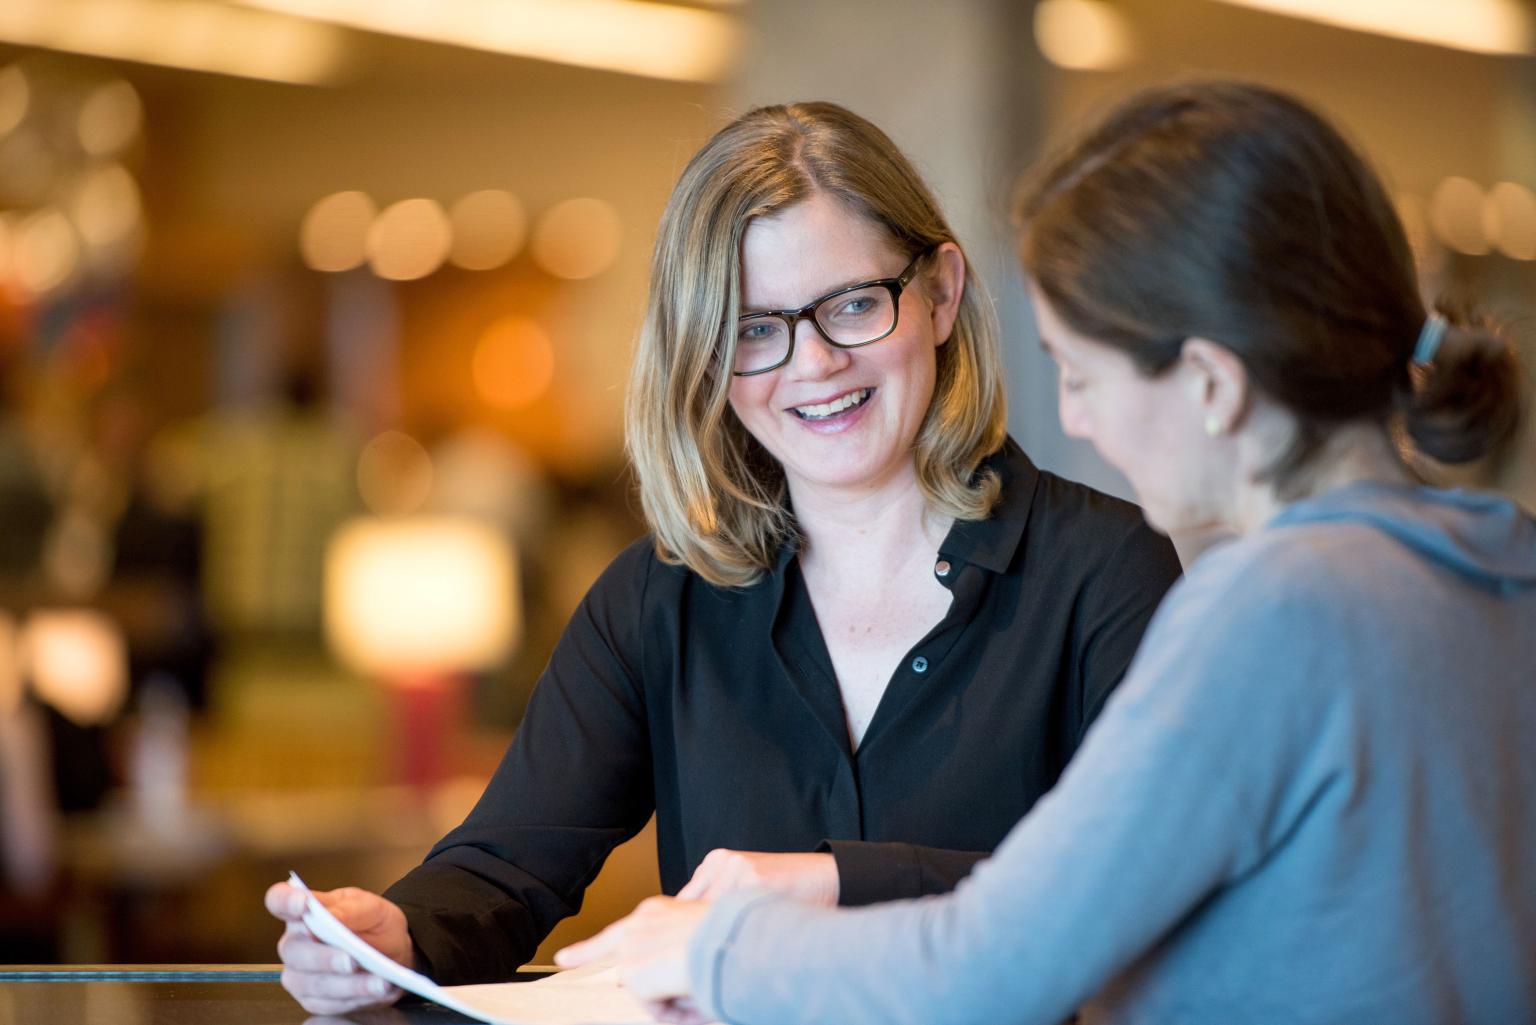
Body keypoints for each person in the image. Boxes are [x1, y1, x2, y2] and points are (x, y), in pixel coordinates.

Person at [559, 81, 1536, 1024]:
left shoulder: (1272, 608)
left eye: (1080, 373)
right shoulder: (1503, 561)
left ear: (1209, 383)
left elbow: (988, 966)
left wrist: (715, 950)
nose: (1072, 416)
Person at [264, 101, 1181, 1015]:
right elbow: (504, 865)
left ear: (940, 294)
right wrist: (394, 931)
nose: (813, 363)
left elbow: (1134, 882)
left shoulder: (1104, 570)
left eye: (854, 304)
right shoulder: (658, 599)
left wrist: (825, 885)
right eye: (754, 329)